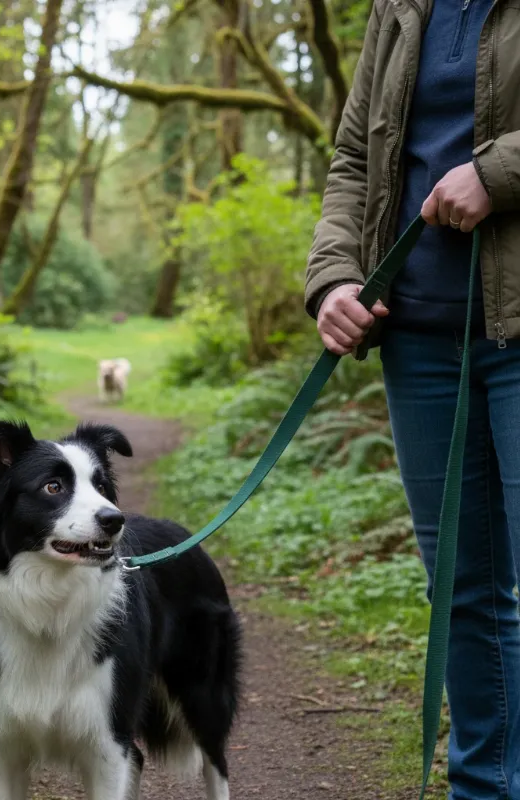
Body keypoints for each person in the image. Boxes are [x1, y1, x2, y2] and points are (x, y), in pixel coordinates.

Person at [305, 2, 520, 798]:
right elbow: (356, 157)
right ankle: (485, 790)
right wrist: (332, 278)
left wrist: (499, 173)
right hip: (420, 335)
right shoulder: (400, 9)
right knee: (462, 589)